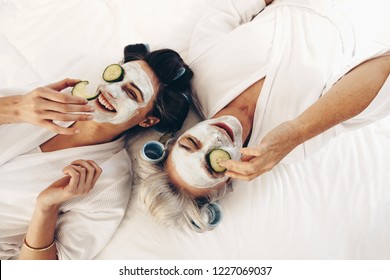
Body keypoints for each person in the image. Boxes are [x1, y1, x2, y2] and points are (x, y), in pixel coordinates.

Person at [138, 0, 390, 232]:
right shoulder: (295, 146)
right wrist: (296, 132)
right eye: (213, 165)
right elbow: (383, 67)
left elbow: (235, 7)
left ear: (178, 136)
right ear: (226, 182)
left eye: (191, 143)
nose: (213, 139)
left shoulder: (201, 70)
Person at [0, 43, 194, 259]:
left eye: (131, 93)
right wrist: (13, 108)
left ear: (148, 120)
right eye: (117, 76)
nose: (111, 89)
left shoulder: (109, 183)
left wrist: (47, 206)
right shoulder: (45, 101)